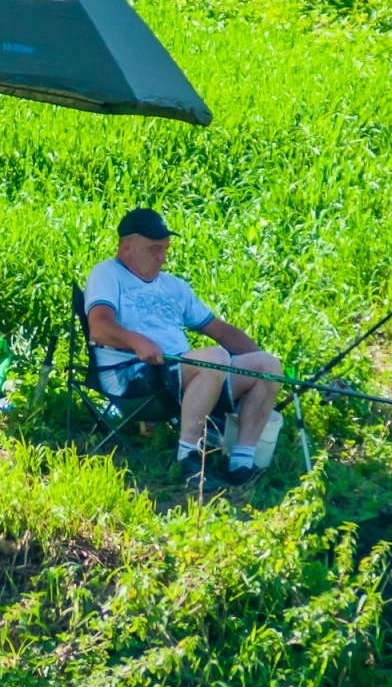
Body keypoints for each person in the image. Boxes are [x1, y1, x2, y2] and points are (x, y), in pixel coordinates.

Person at [85, 207, 282, 488]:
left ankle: (241, 462)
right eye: (155, 248)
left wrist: (260, 358)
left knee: (267, 365)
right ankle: (188, 458)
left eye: (165, 248)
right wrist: (137, 341)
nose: (162, 257)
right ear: (127, 247)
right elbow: (99, 327)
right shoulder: (107, 273)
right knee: (213, 358)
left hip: (180, 375)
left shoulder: (174, 286)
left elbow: (219, 330)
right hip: (135, 375)